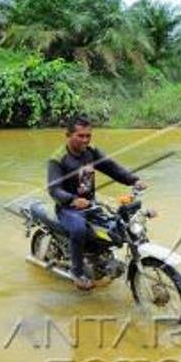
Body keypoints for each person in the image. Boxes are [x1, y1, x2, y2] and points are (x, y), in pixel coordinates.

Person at [47, 115, 146, 290]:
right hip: (68, 208)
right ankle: (77, 272)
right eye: (80, 136)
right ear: (68, 135)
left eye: (88, 135)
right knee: (78, 229)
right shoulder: (58, 159)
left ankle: (100, 258)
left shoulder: (91, 153)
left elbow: (112, 168)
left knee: (117, 225)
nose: (85, 140)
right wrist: (72, 199)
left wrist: (133, 180)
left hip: (90, 205)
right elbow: (54, 189)